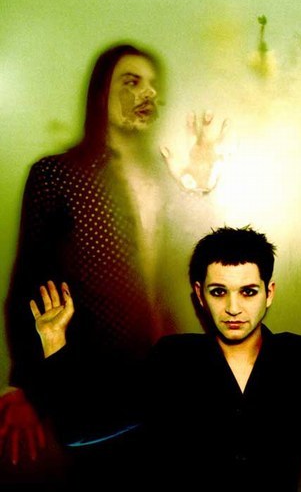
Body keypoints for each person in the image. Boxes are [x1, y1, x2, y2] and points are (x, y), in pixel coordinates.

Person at [28, 226, 301, 491]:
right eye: (219, 291)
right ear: (199, 295)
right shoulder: (173, 362)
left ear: (269, 293)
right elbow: (79, 429)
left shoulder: (299, 362)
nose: (234, 308)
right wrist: (53, 339)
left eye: (248, 291)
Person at [0, 42, 225, 483]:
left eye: (153, 85)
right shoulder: (58, 174)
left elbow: (201, 261)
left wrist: (201, 183)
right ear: (101, 92)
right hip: (90, 382)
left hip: (163, 377)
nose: (147, 94)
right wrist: (24, 382)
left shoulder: (164, 176)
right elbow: (29, 277)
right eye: (131, 81)